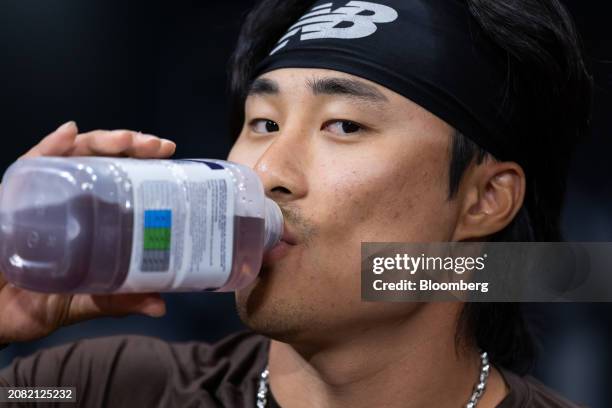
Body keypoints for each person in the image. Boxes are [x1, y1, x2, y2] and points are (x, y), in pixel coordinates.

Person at [0, 0, 592, 407]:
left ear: (484, 199)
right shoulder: (92, 388)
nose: (267, 172)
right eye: (262, 122)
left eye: (344, 125)